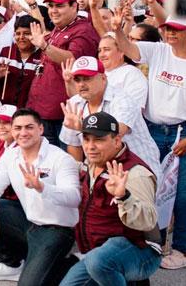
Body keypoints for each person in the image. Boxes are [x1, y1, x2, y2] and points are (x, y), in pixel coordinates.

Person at [113, 12, 186, 269]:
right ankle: (156, 241)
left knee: (182, 193)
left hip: (184, 131)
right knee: (154, 187)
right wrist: (118, 30)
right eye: (167, 28)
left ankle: (182, 250)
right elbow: (128, 48)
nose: (170, 33)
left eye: (177, 29)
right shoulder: (158, 51)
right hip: (153, 129)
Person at [0, 108, 80, 284]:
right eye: (18, 128)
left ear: (41, 129)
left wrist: (43, 187)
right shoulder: (11, 155)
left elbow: (74, 197)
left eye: (29, 127)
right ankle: (12, 263)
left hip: (56, 230)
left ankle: (72, 263)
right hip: (28, 222)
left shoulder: (61, 159)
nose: (23, 133)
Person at [59, 111, 162, 285]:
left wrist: (123, 196)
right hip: (98, 253)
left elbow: (149, 221)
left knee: (99, 262)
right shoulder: (94, 161)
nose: (90, 146)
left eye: (99, 140)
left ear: (117, 140)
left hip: (141, 252)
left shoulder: (135, 173)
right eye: (86, 139)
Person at [57, 56, 160, 178]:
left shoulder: (122, 99)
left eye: (87, 78)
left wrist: (82, 128)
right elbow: (74, 145)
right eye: (77, 80)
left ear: (103, 78)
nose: (81, 84)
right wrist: (80, 177)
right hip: (102, 172)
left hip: (139, 172)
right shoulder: (74, 103)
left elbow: (116, 135)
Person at [26, 0, 100, 146]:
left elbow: (72, 60)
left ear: (74, 6)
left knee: (63, 159)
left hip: (63, 115)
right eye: (51, 6)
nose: (53, 10)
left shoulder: (83, 30)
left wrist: (44, 46)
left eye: (59, 6)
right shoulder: (58, 29)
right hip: (43, 110)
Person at [0, 15, 42, 108]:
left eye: (26, 33)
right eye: (18, 33)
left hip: (29, 109)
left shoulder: (42, 56)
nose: (21, 37)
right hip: (4, 108)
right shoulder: (6, 52)